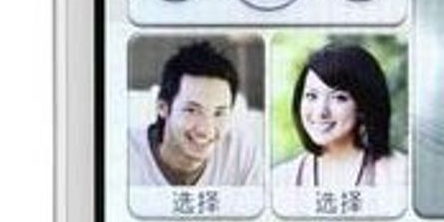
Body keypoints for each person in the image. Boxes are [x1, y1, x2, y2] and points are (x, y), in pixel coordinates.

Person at [127, 40, 260, 188]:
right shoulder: (124, 156)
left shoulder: (241, 153)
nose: (205, 130)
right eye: (192, 110)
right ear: (162, 107)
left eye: (219, 113)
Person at [274, 42, 408, 189]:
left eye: (339, 97)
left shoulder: (401, 175)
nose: (321, 112)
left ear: (363, 106)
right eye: (312, 96)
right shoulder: (280, 180)